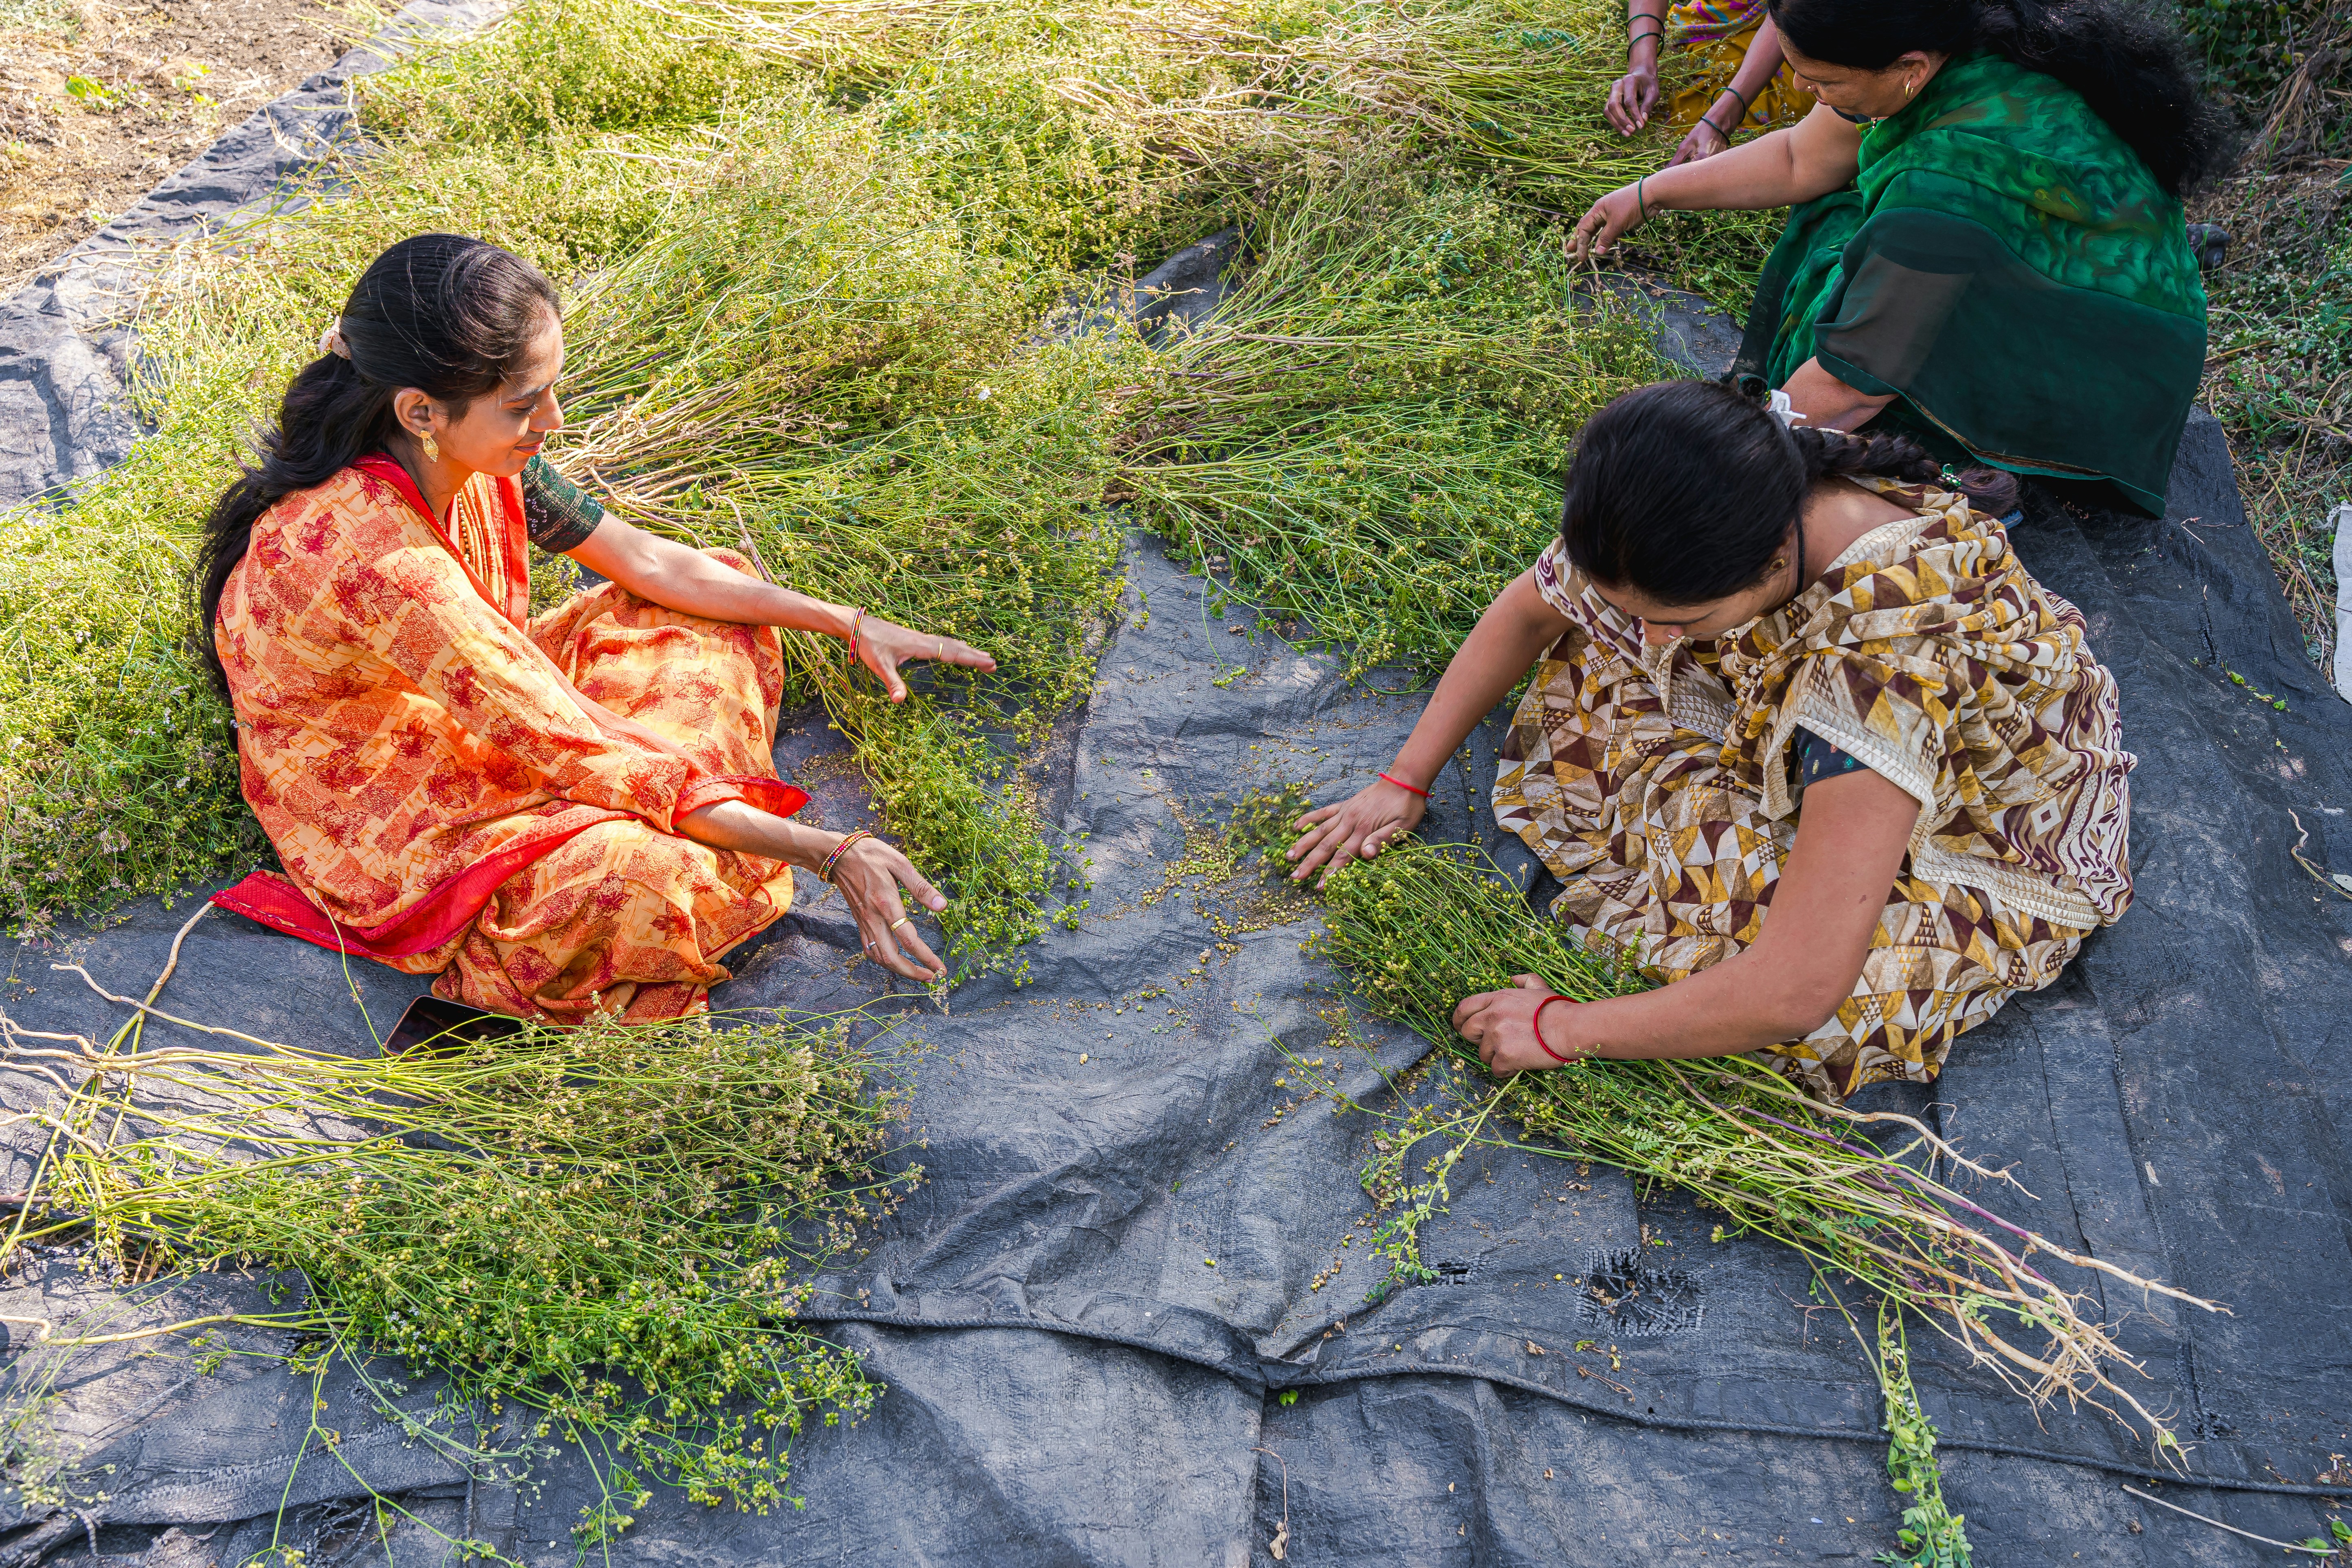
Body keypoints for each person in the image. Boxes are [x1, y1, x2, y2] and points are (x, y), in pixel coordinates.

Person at [195, 234, 993, 1024]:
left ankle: (691, 802)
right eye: (524, 404)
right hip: (394, 804)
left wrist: (848, 621)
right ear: (420, 410)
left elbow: (647, 562)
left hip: (485, 694)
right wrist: (830, 852)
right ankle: (680, 814)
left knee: (715, 598)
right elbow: (568, 743)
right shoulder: (385, 563)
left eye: (550, 390)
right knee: (658, 881)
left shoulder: (467, 454)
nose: (552, 418)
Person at [1286, 380, 2134, 1102]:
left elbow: (1796, 989)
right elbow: (1533, 609)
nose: (1650, 641)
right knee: (1593, 666)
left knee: (1822, 1010)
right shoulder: (1714, 488)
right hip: (1835, 723)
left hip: (1976, 841)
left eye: (1680, 620)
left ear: (1770, 561)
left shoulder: (1879, 667)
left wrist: (1563, 1028)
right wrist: (1404, 779)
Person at [1575, 0, 2232, 516]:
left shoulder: (1943, 191)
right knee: (1840, 220)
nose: (1801, 87)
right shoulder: (1948, 34)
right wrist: (1649, 193)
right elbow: (1802, 158)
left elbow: (1852, 385)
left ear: (1909, 68)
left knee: (1849, 337)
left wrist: (1721, 454)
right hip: (2058, 263)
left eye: (1823, 80)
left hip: (2103, 355)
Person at [1607, 0, 1804, 166]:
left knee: (1744, 154)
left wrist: (1721, 121)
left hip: (1787, 37)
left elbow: (1786, 9)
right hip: (1702, 23)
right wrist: (1642, 65)